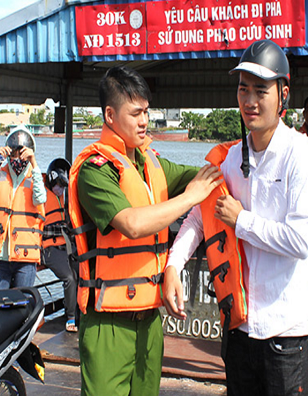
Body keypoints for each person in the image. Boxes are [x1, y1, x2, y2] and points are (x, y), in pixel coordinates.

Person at [163, 39, 308, 396]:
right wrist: (173, 265)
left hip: (285, 333)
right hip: (239, 327)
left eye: (261, 90)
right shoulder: (231, 158)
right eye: (243, 89)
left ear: (283, 94)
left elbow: (299, 241)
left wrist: (241, 221)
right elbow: (198, 218)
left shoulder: (301, 155)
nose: (250, 101)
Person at [67, 65, 222, 396]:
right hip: (108, 323)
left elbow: (204, 175)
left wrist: (236, 166)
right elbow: (132, 223)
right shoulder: (95, 172)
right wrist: (192, 197)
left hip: (150, 319)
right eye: (135, 113)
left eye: (146, 112)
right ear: (110, 115)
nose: (144, 121)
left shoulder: (151, 164)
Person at [0, 125, 46, 290]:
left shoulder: (34, 175)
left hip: (25, 258)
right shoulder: (2, 172)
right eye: (13, 152)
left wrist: (33, 163)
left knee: (20, 307)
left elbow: (40, 198)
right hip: (2, 258)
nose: (17, 157)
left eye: (21, 152)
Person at [41, 157, 79, 333]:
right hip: (48, 248)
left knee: (82, 270)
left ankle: (81, 311)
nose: (60, 190)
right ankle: (70, 317)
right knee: (69, 278)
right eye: (59, 186)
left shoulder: (61, 195)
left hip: (64, 245)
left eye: (63, 187)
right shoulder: (40, 194)